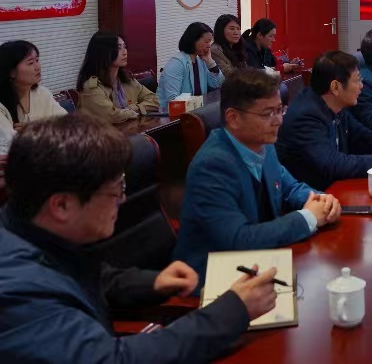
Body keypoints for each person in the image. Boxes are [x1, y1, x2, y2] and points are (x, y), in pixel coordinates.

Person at [0, 113, 278, 363]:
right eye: (115, 190)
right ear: (62, 205)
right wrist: (233, 312)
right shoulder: (16, 289)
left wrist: (154, 282)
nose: (122, 200)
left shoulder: (34, 230)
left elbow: (88, 277)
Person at [174, 68, 341, 282]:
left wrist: (322, 202)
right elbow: (239, 239)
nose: (278, 120)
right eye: (267, 113)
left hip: (260, 265)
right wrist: (308, 217)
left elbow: (290, 188)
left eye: (280, 110)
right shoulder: (212, 165)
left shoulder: (263, 145)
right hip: (214, 280)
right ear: (233, 117)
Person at [278, 51, 372, 189]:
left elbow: (360, 133)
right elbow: (333, 163)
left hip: (336, 188)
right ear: (336, 87)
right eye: (357, 80)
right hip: (315, 198)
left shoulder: (332, 102)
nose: (362, 86)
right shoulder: (306, 116)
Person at [0, 40, 67, 155]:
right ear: (11, 72)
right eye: (30, 63)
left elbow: (67, 123)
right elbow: (11, 147)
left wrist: (37, 128)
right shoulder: (2, 104)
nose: (38, 67)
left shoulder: (42, 93)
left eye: (37, 60)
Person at [76, 31, 160, 123]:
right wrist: (136, 110)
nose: (125, 52)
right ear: (103, 52)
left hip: (131, 129)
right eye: (118, 48)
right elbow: (111, 116)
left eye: (125, 47)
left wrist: (133, 108)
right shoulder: (91, 87)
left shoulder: (127, 79)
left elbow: (155, 100)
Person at [159, 22, 224, 104]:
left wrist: (210, 62)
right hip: (178, 111)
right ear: (193, 40)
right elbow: (172, 99)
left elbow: (218, 84)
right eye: (206, 42)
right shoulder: (176, 63)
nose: (209, 46)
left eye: (210, 42)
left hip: (198, 109)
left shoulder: (200, 62)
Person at [210, 13, 247, 78]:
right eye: (232, 29)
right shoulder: (215, 50)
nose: (236, 32)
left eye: (238, 29)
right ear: (221, 30)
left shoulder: (238, 47)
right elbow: (228, 75)